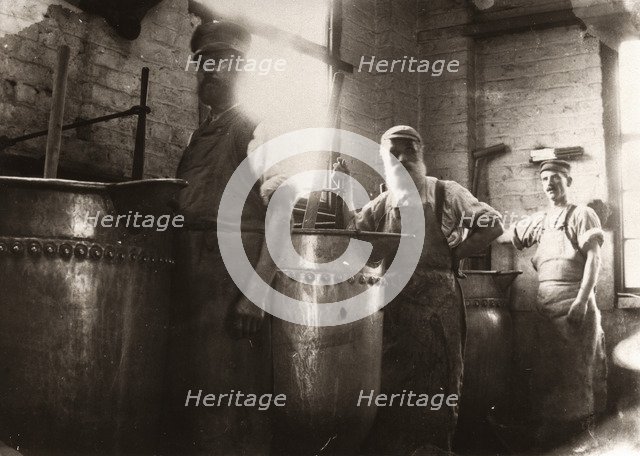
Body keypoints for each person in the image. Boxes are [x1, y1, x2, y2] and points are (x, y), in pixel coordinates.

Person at [335, 125, 504, 454]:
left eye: (408, 150)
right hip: (393, 318)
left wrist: (456, 254)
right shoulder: (383, 203)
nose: (401, 158)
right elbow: (351, 239)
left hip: (437, 317)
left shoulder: (445, 192)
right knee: (392, 400)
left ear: (420, 154)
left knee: (436, 399)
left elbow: (493, 223)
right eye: (392, 152)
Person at [166, 21, 278, 455]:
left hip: (232, 291)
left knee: (227, 410)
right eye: (203, 63)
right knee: (188, 407)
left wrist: (257, 293)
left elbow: (283, 214)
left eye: (221, 62)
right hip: (190, 288)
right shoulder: (198, 137)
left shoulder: (258, 128)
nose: (209, 70)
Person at [512, 159, 606, 449]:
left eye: (556, 178)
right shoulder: (541, 220)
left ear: (568, 182)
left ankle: (586, 441)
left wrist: (580, 301)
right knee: (547, 377)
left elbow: (594, 258)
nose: (549, 184)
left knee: (578, 376)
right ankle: (555, 442)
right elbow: (510, 235)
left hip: (574, 307)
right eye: (544, 180)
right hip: (545, 310)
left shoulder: (583, 214)